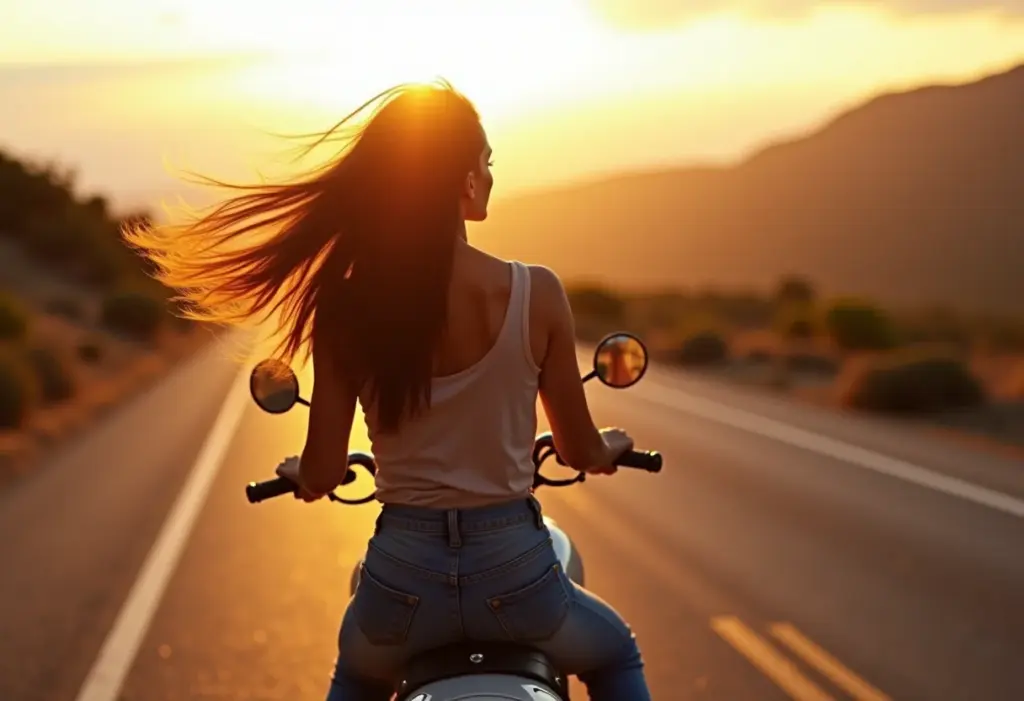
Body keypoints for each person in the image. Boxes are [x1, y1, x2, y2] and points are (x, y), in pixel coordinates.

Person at [126, 80, 652, 701]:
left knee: (355, 677)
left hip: (403, 580)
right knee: (616, 654)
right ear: (461, 179)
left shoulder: (346, 307)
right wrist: (608, 448)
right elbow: (579, 449)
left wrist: (305, 472)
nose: (489, 176)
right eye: (485, 162)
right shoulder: (536, 293)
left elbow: (322, 470)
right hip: (515, 571)